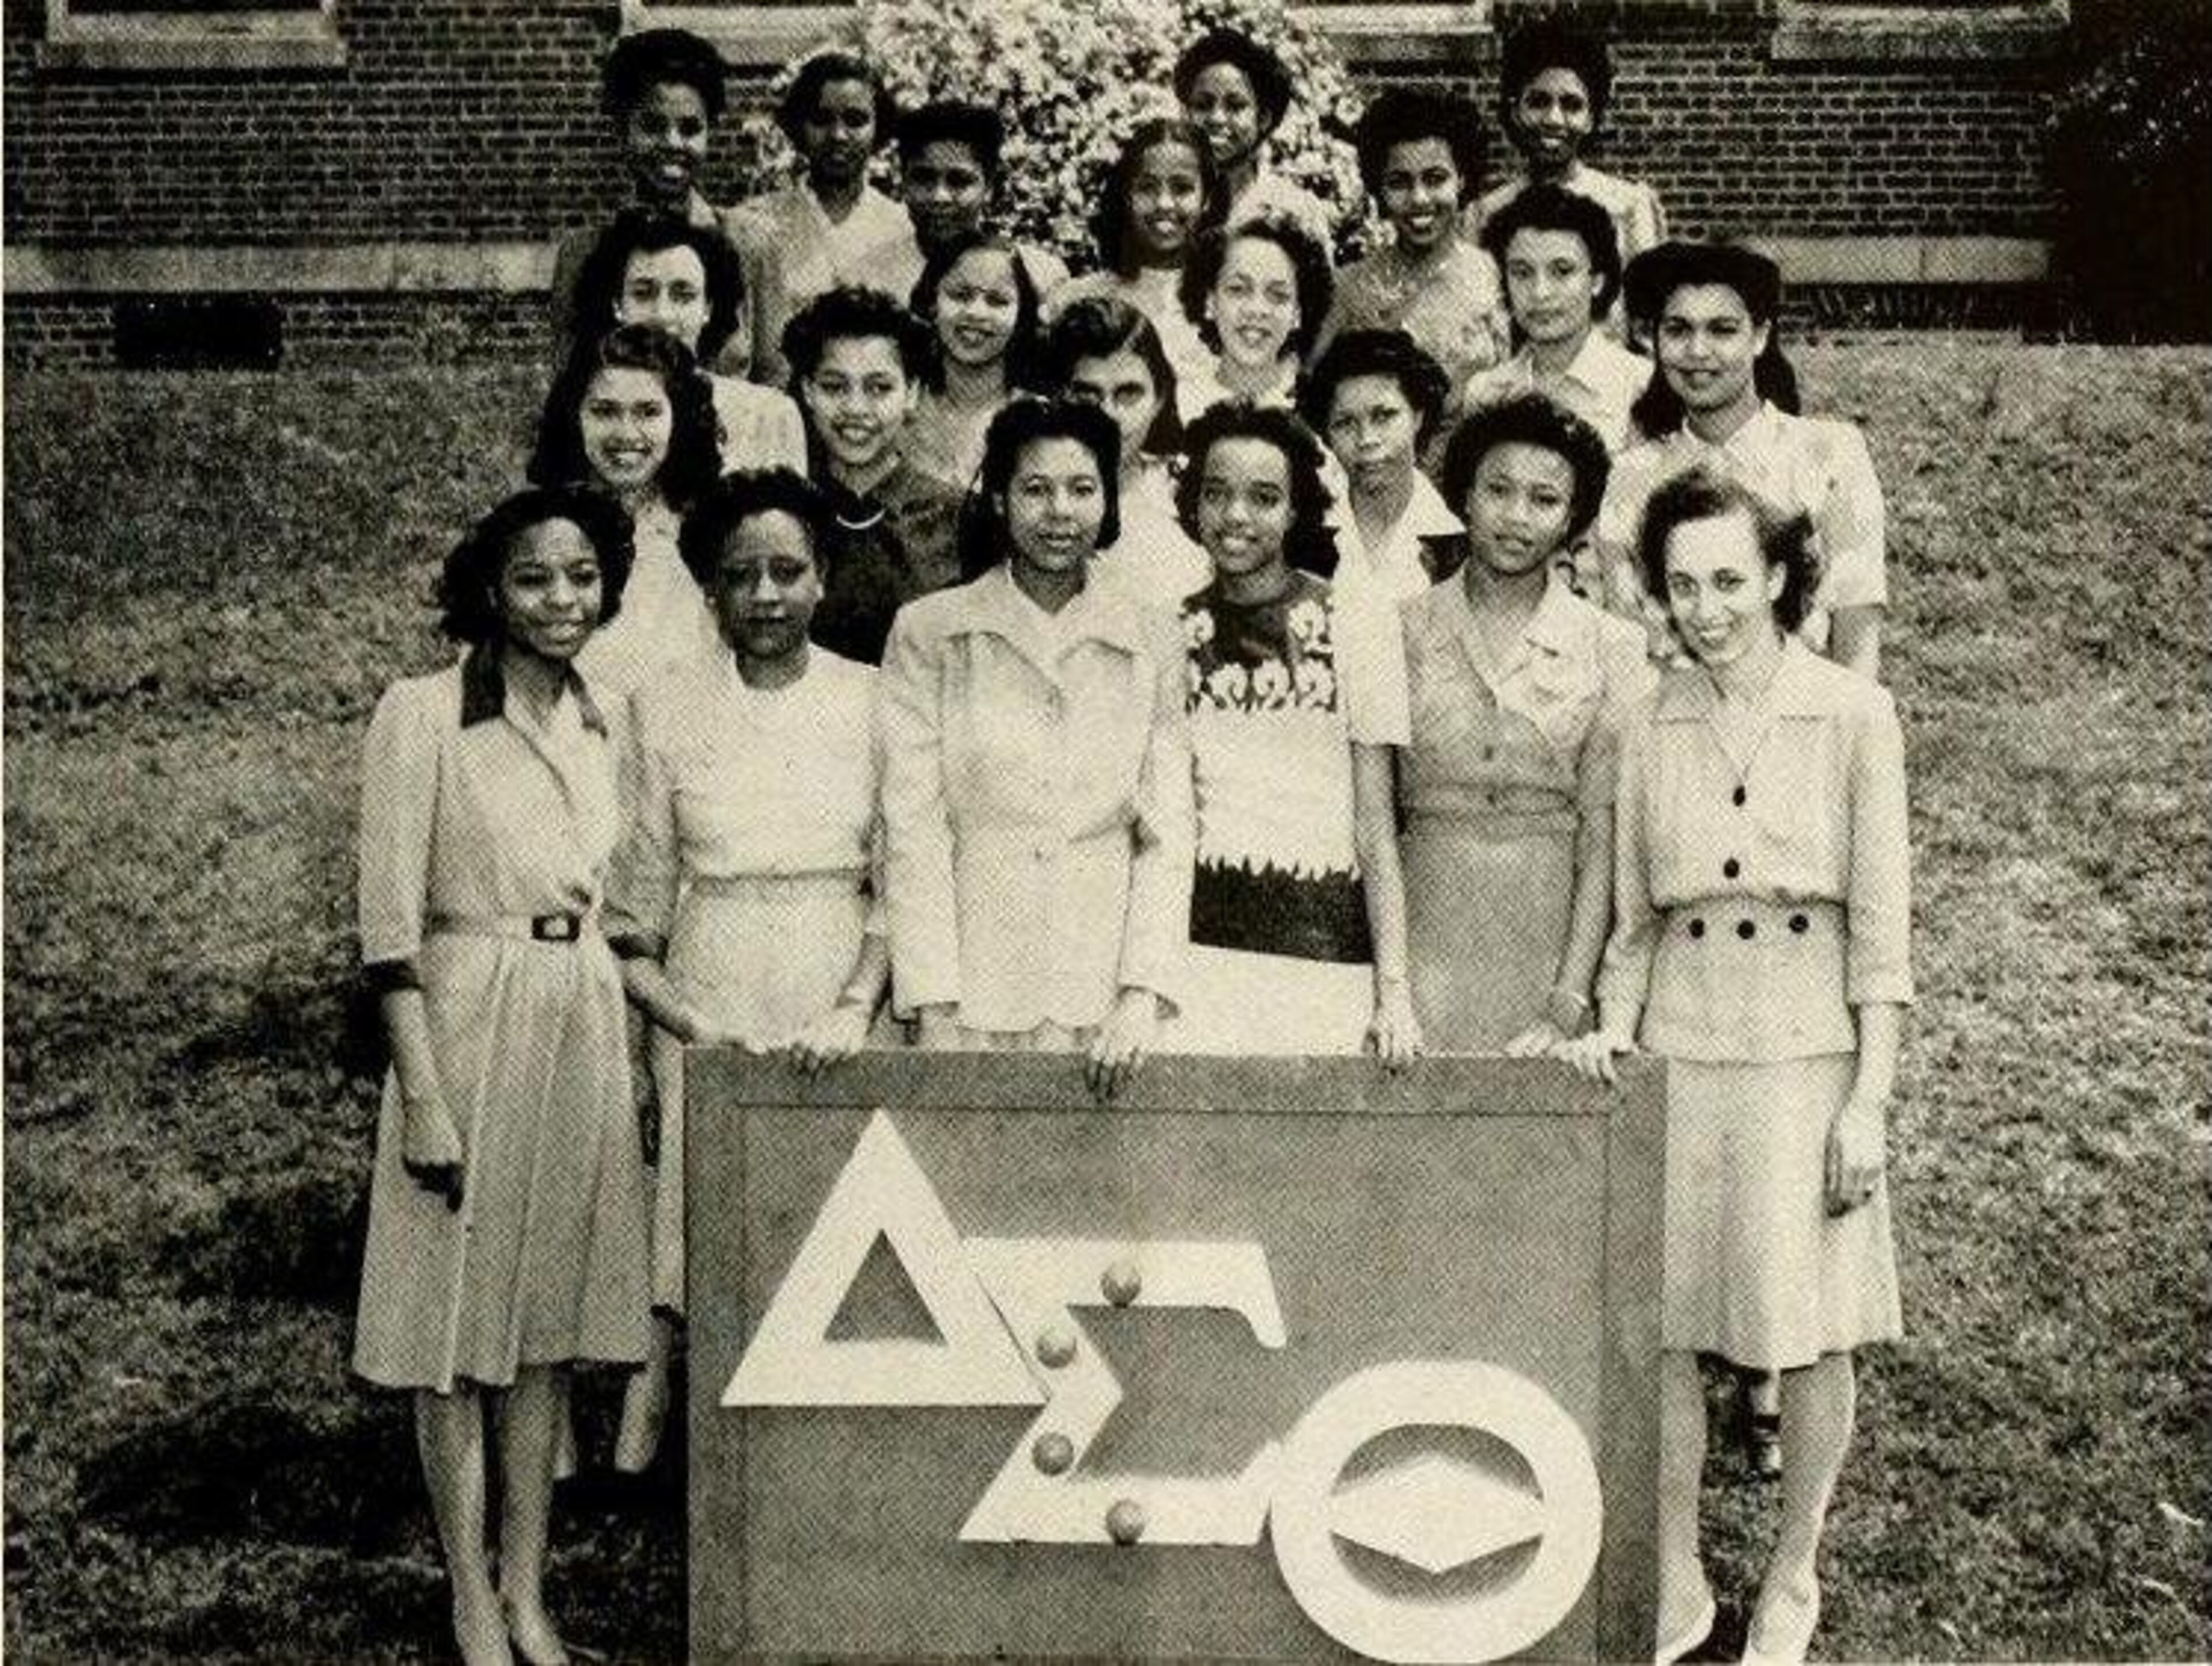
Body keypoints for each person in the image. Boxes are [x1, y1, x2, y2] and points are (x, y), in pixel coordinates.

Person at [1559, 466, 1910, 1665]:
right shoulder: (1641, 718)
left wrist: (1870, 1098)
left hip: (1805, 1048)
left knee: (1812, 1325)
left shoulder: (1854, 714)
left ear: (1777, 579)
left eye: (1728, 580)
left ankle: (1792, 1572)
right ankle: (1676, 1579)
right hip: (1681, 1049)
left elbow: (1884, 934)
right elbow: (1632, 921)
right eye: (1681, 584)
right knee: (1663, 1331)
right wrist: (1614, 1028)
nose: (1704, 607)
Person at [354, 484, 650, 1666]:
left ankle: (527, 1591)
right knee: (450, 1331)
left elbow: (614, 902)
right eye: (535, 579)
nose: (560, 601)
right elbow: (388, 928)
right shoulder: (422, 715)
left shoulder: (607, 717)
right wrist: (422, 1091)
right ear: (491, 589)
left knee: (544, 1335)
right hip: (467, 1019)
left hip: (579, 1015)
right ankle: (468, 1596)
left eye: (581, 578)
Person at [603, 468, 888, 1471]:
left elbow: (900, 886)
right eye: (740, 576)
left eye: (787, 572)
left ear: (821, 580)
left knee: (841, 1208)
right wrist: (683, 1026)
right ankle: (674, 1418)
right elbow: (631, 919)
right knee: (699, 1208)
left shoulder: (875, 697)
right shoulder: (663, 708)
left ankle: (834, 1433)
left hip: (838, 973)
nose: (766, 595)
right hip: (711, 975)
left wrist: (857, 1004)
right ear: (709, 590)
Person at [877, 398, 1192, 1093]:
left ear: (1109, 502)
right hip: (971, 992)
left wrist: (1141, 994)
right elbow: (912, 830)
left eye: (1082, 490)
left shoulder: (1154, 634)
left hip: (1105, 999)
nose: (1060, 512)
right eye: (1035, 489)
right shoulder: (930, 633)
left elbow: (1168, 832)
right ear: (998, 498)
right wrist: (934, 1004)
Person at [1388, 393, 1649, 1054]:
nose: (1517, 516)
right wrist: (1389, 988)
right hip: (1424, 945)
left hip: (1547, 944)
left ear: (1573, 518)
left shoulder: (1612, 646)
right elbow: (1376, 825)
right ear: (1464, 497)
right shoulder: (1403, 630)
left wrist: (1568, 1002)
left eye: (1544, 499)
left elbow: (1602, 840)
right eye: (1498, 490)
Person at [1165, 402, 1418, 1064]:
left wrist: (1393, 994)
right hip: (1199, 962)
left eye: (1264, 497)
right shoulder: (1169, 632)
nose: (1237, 517)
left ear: (1296, 510)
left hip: (1325, 959)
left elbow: (1376, 829)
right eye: (1216, 494)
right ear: (1193, 504)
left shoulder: (1357, 621)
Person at [1596, 241, 1888, 679]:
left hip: (1802, 725)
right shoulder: (1631, 476)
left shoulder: (1830, 455)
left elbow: (1857, 642)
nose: (1697, 350)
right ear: (1655, 340)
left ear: (1760, 336)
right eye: (1677, 330)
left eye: (1722, 330)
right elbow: (1629, 649)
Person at [528, 323, 725, 704]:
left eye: (648, 412)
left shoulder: (712, 535)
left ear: (679, 418)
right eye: (605, 411)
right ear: (575, 416)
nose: (626, 434)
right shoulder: (530, 534)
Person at [781, 284, 965, 665]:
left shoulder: (964, 520)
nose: (856, 408)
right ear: (808, 392)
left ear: (912, 393)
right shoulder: (782, 513)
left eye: (879, 388)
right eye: (834, 387)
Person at [550, 28, 746, 374]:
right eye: (653, 126)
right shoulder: (582, 254)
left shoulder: (751, 247)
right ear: (623, 132)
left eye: (690, 129)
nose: (672, 143)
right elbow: (569, 386)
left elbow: (776, 391)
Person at [726, 51, 917, 389]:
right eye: (821, 119)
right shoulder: (753, 226)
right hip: (782, 419)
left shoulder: (906, 230)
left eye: (856, 120)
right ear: (799, 126)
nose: (839, 135)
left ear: (879, 128)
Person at [569, 207, 808, 473]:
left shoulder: (768, 416)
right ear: (617, 305)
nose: (662, 315)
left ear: (707, 308)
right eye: (643, 294)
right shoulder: (588, 413)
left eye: (683, 296)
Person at [1467, 18, 1667, 327]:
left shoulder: (1628, 207)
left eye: (1572, 105)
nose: (1554, 119)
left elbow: (1650, 323)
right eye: (1538, 102)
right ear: (1515, 110)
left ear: (1591, 119)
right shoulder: (1486, 213)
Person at [1321, 90, 1510, 398]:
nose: (1419, 199)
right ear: (1379, 188)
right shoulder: (1349, 288)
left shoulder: (1496, 279)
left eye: (1435, 179)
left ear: (1461, 179)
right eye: (1399, 183)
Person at [1039, 295, 1210, 609]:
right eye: (1087, 394)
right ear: (1057, 398)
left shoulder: (1194, 493)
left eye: (1128, 394)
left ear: (1159, 399)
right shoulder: (1024, 496)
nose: (1109, 416)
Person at [1465, 183, 1649, 455]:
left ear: (1597, 281)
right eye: (1522, 272)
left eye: (1562, 271)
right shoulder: (1486, 393)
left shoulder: (1641, 385)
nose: (1540, 293)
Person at [1046, 118, 1225, 392]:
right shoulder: (1077, 299)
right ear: (1127, 195)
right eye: (1148, 187)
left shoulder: (1228, 302)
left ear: (1207, 199)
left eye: (1182, 188)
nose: (1164, 204)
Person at [1301, 328, 1465, 608]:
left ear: (1418, 417)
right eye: (1345, 423)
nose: (1366, 440)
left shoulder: (1462, 540)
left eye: (1384, 416)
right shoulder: (1302, 538)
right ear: (1327, 435)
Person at [876, 100, 1073, 301]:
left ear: (988, 188)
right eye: (924, 178)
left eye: (959, 181)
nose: (939, 197)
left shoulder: (1039, 276)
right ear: (904, 181)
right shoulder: (873, 279)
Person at [904, 232, 1049, 488]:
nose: (976, 312)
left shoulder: (1042, 421)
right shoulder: (899, 409)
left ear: (1021, 318)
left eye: (997, 301)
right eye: (960, 295)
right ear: (931, 304)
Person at [1173, 27, 1337, 248]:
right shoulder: (1168, 207)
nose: (1217, 119)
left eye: (1235, 106)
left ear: (1264, 119)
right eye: (1203, 105)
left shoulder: (1296, 212)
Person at [1176, 212, 1334, 422]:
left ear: (1298, 313)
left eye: (1278, 295)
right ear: (1210, 302)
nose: (1257, 309)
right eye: (1238, 289)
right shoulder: (1176, 405)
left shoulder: (1321, 412)